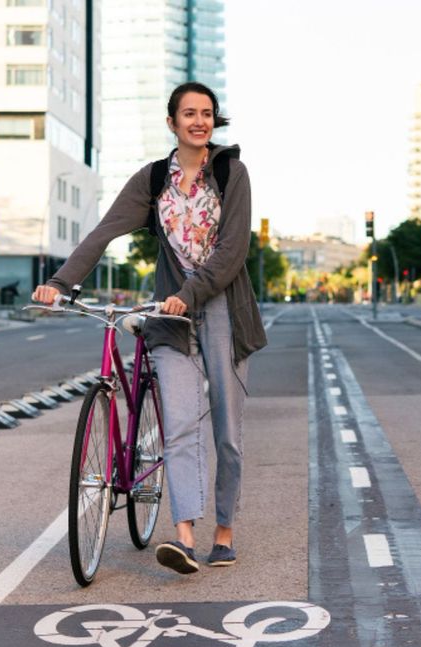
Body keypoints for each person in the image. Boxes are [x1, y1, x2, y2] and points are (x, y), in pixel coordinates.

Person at [32, 82, 266, 576]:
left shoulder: (231, 173)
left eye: (207, 113)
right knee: (179, 425)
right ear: (172, 122)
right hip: (169, 319)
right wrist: (59, 282)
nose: (198, 121)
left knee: (226, 433)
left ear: (214, 122)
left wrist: (192, 293)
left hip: (224, 309)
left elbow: (232, 252)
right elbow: (104, 231)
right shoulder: (154, 179)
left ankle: (223, 532)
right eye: (189, 113)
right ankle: (183, 536)